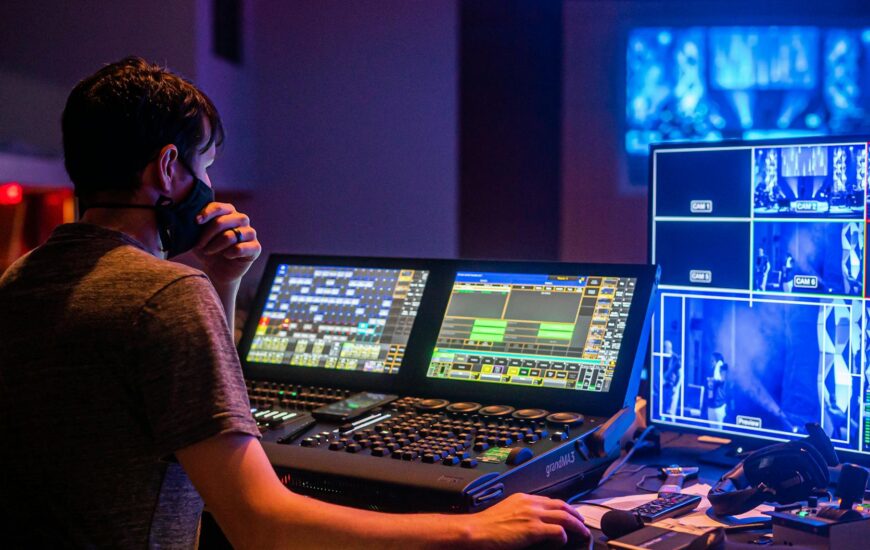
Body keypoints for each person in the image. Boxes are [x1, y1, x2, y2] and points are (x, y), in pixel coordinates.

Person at [0, 57, 589, 548]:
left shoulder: (22, 278)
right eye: (205, 163)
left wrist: (221, 280)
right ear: (170, 167)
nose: (210, 184)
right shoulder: (165, 296)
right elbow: (261, 524)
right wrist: (475, 531)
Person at [705, 353, 729, 430]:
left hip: (719, 407)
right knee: (712, 431)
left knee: (719, 431)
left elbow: (719, 379)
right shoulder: (710, 372)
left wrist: (718, 365)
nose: (711, 363)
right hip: (711, 406)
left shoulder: (723, 371)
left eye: (713, 361)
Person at [660, 340, 681, 418]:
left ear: (669, 348)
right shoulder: (662, 357)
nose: (662, 348)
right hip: (664, 386)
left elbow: (680, 375)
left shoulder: (675, 359)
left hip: (672, 388)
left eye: (664, 347)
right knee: (663, 410)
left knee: (671, 412)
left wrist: (675, 387)